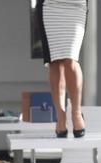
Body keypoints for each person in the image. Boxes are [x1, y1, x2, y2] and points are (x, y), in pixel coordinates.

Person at [38, 0, 87, 137]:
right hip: (50, 7)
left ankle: (76, 113)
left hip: (75, 6)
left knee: (70, 59)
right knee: (54, 61)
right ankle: (60, 116)